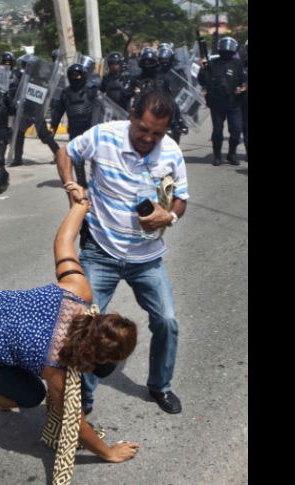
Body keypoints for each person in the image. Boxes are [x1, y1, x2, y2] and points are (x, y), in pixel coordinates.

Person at [0, 194, 140, 465]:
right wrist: (108, 452)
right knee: (30, 396)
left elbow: (63, 242)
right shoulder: (56, 368)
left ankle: (5, 380)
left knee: (23, 366)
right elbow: (74, 424)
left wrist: (80, 207)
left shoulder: (79, 290)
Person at [55, 90, 188, 415]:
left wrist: (168, 216)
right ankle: (83, 402)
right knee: (84, 325)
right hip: (100, 251)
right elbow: (65, 152)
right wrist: (70, 184)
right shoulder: (103, 136)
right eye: (143, 129)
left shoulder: (171, 152)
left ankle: (160, 386)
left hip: (147, 258)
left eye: (157, 133)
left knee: (167, 321)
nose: (148, 138)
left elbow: (181, 199)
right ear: (131, 116)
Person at [49, 62, 99, 188]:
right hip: (74, 128)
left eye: (77, 75)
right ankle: (81, 181)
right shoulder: (65, 93)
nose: (75, 78)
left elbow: (101, 107)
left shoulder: (91, 90)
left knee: (96, 155)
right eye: (72, 75)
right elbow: (58, 111)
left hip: (90, 128)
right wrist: (53, 127)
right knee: (77, 157)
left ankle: (98, 180)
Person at [198, 37, 246, 165]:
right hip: (217, 103)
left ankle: (231, 154)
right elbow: (202, 81)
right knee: (218, 130)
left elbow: (243, 80)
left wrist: (242, 88)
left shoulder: (237, 63)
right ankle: (217, 155)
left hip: (234, 102)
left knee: (236, 130)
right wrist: (202, 68)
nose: (226, 51)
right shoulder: (212, 63)